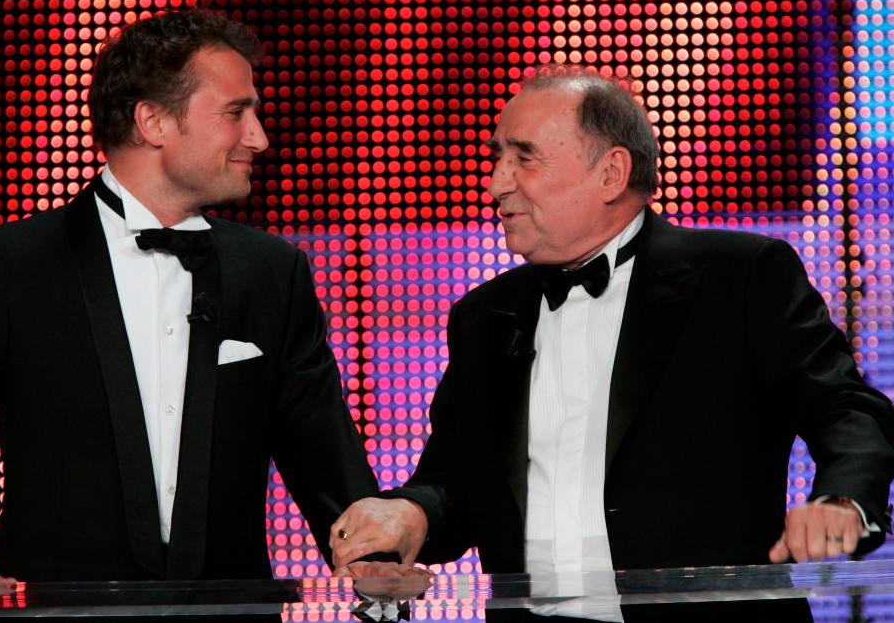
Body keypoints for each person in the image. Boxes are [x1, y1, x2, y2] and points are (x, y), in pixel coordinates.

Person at [327, 67, 894, 620]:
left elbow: (846, 408)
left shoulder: (740, 277)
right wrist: (412, 514)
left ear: (611, 173)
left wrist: (842, 499)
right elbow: (457, 483)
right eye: (497, 158)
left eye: (523, 157)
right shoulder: (484, 316)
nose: (497, 182)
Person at [0, 8, 387, 584]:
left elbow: (322, 448)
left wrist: (374, 566)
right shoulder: (13, 264)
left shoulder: (272, 272)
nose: (260, 137)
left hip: (228, 617)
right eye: (237, 113)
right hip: (56, 616)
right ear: (153, 121)